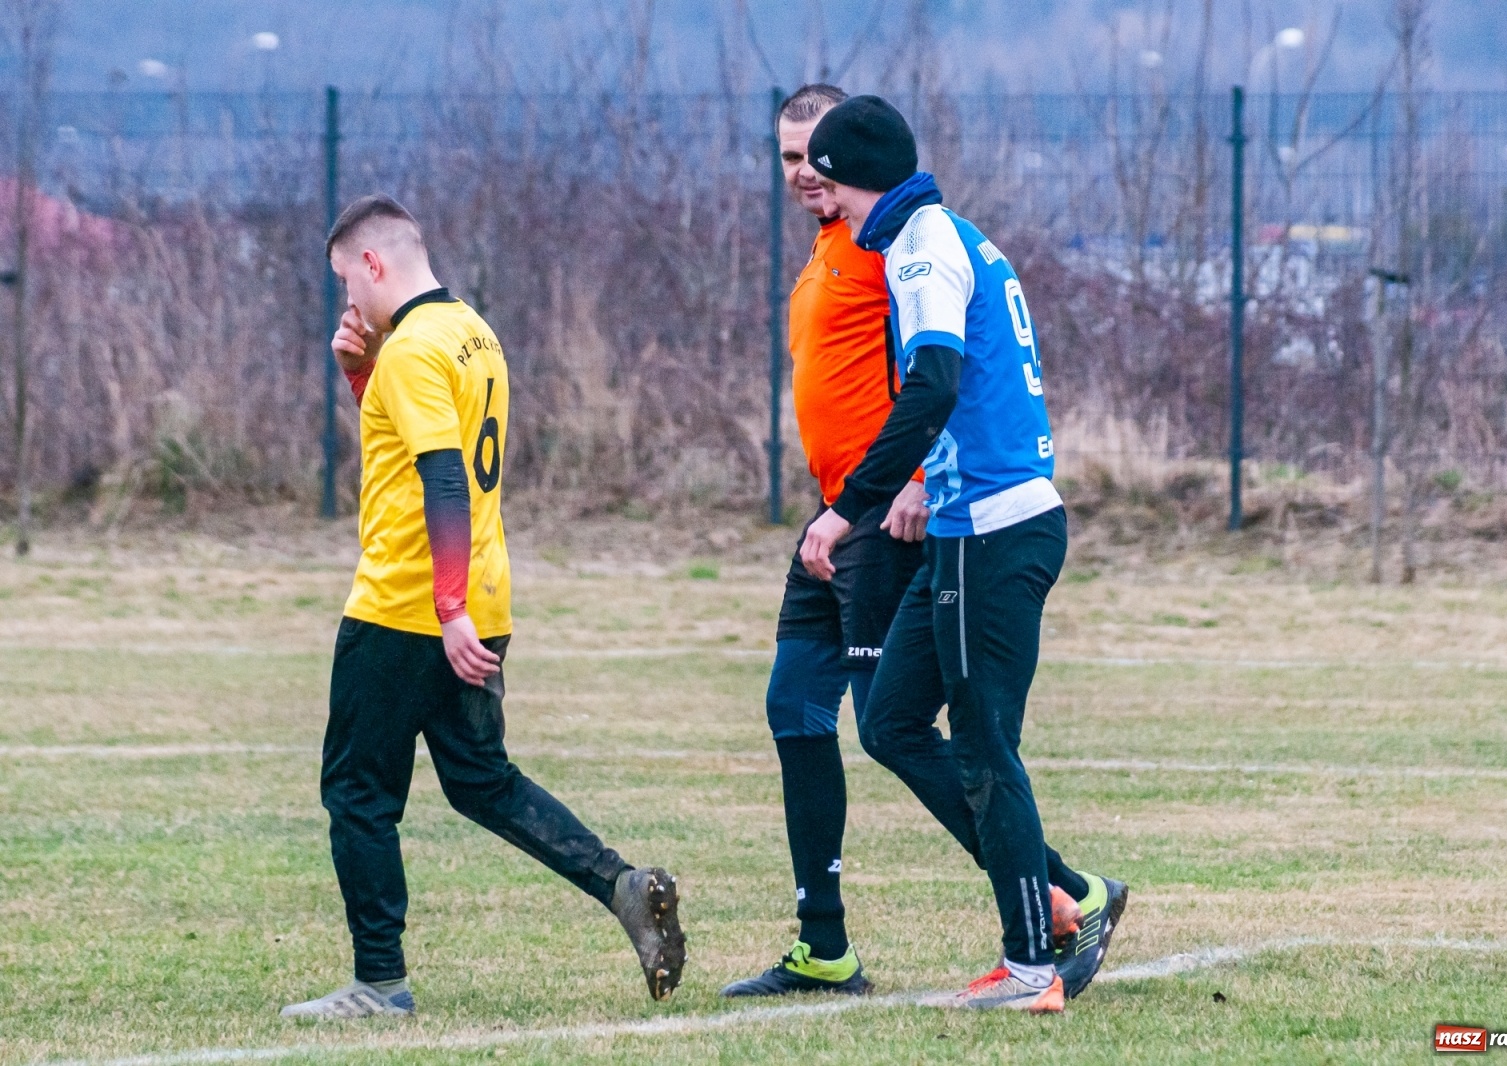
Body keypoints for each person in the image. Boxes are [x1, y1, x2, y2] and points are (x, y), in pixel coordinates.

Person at [720, 87, 1099, 1001]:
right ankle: (1052, 911)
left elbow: (931, 385)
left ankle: (1035, 958)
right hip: (974, 528)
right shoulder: (936, 236)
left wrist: (851, 506)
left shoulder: (922, 248)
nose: (826, 200)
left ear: (861, 180)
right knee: (890, 720)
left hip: (993, 527)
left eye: (831, 181)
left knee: (984, 748)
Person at [281, 195, 685, 1019]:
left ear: (373, 264)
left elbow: (443, 478)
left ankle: (379, 982)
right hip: (480, 599)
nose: (347, 303)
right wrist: (359, 372)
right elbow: (406, 447)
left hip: (407, 608)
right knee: (482, 782)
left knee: (358, 793)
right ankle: (621, 884)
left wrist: (446, 605)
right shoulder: (471, 332)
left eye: (346, 283)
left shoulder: (412, 349)